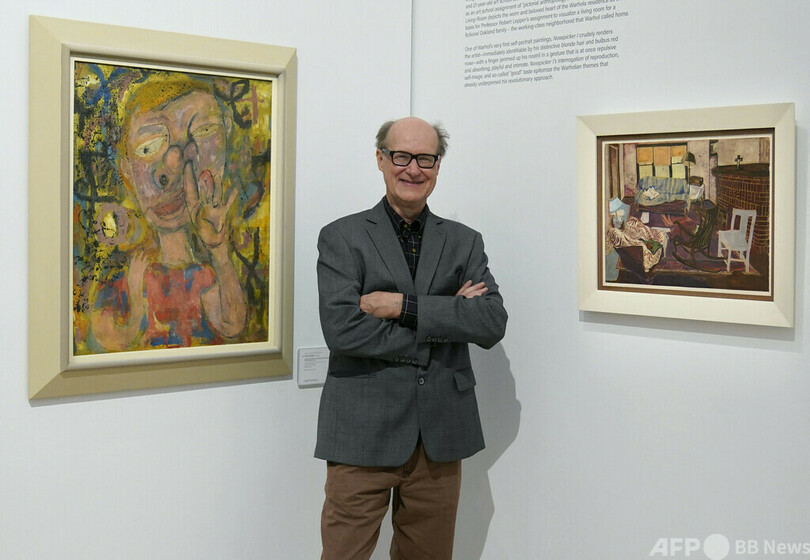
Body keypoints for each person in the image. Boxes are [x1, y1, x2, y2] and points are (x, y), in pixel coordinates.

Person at [315, 116, 508, 559]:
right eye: (402, 156)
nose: (413, 169)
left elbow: (491, 323)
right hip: (361, 431)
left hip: (440, 435)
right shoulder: (342, 237)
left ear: (438, 165)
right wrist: (448, 320)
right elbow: (342, 331)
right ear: (380, 159)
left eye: (426, 158)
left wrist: (402, 306)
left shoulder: (464, 242)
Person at [89, 76, 246, 351]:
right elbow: (109, 339)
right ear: (126, 169)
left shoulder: (202, 276)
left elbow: (232, 324)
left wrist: (219, 252)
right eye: (148, 147)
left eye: (203, 131)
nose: (174, 165)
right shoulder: (126, 278)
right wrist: (136, 296)